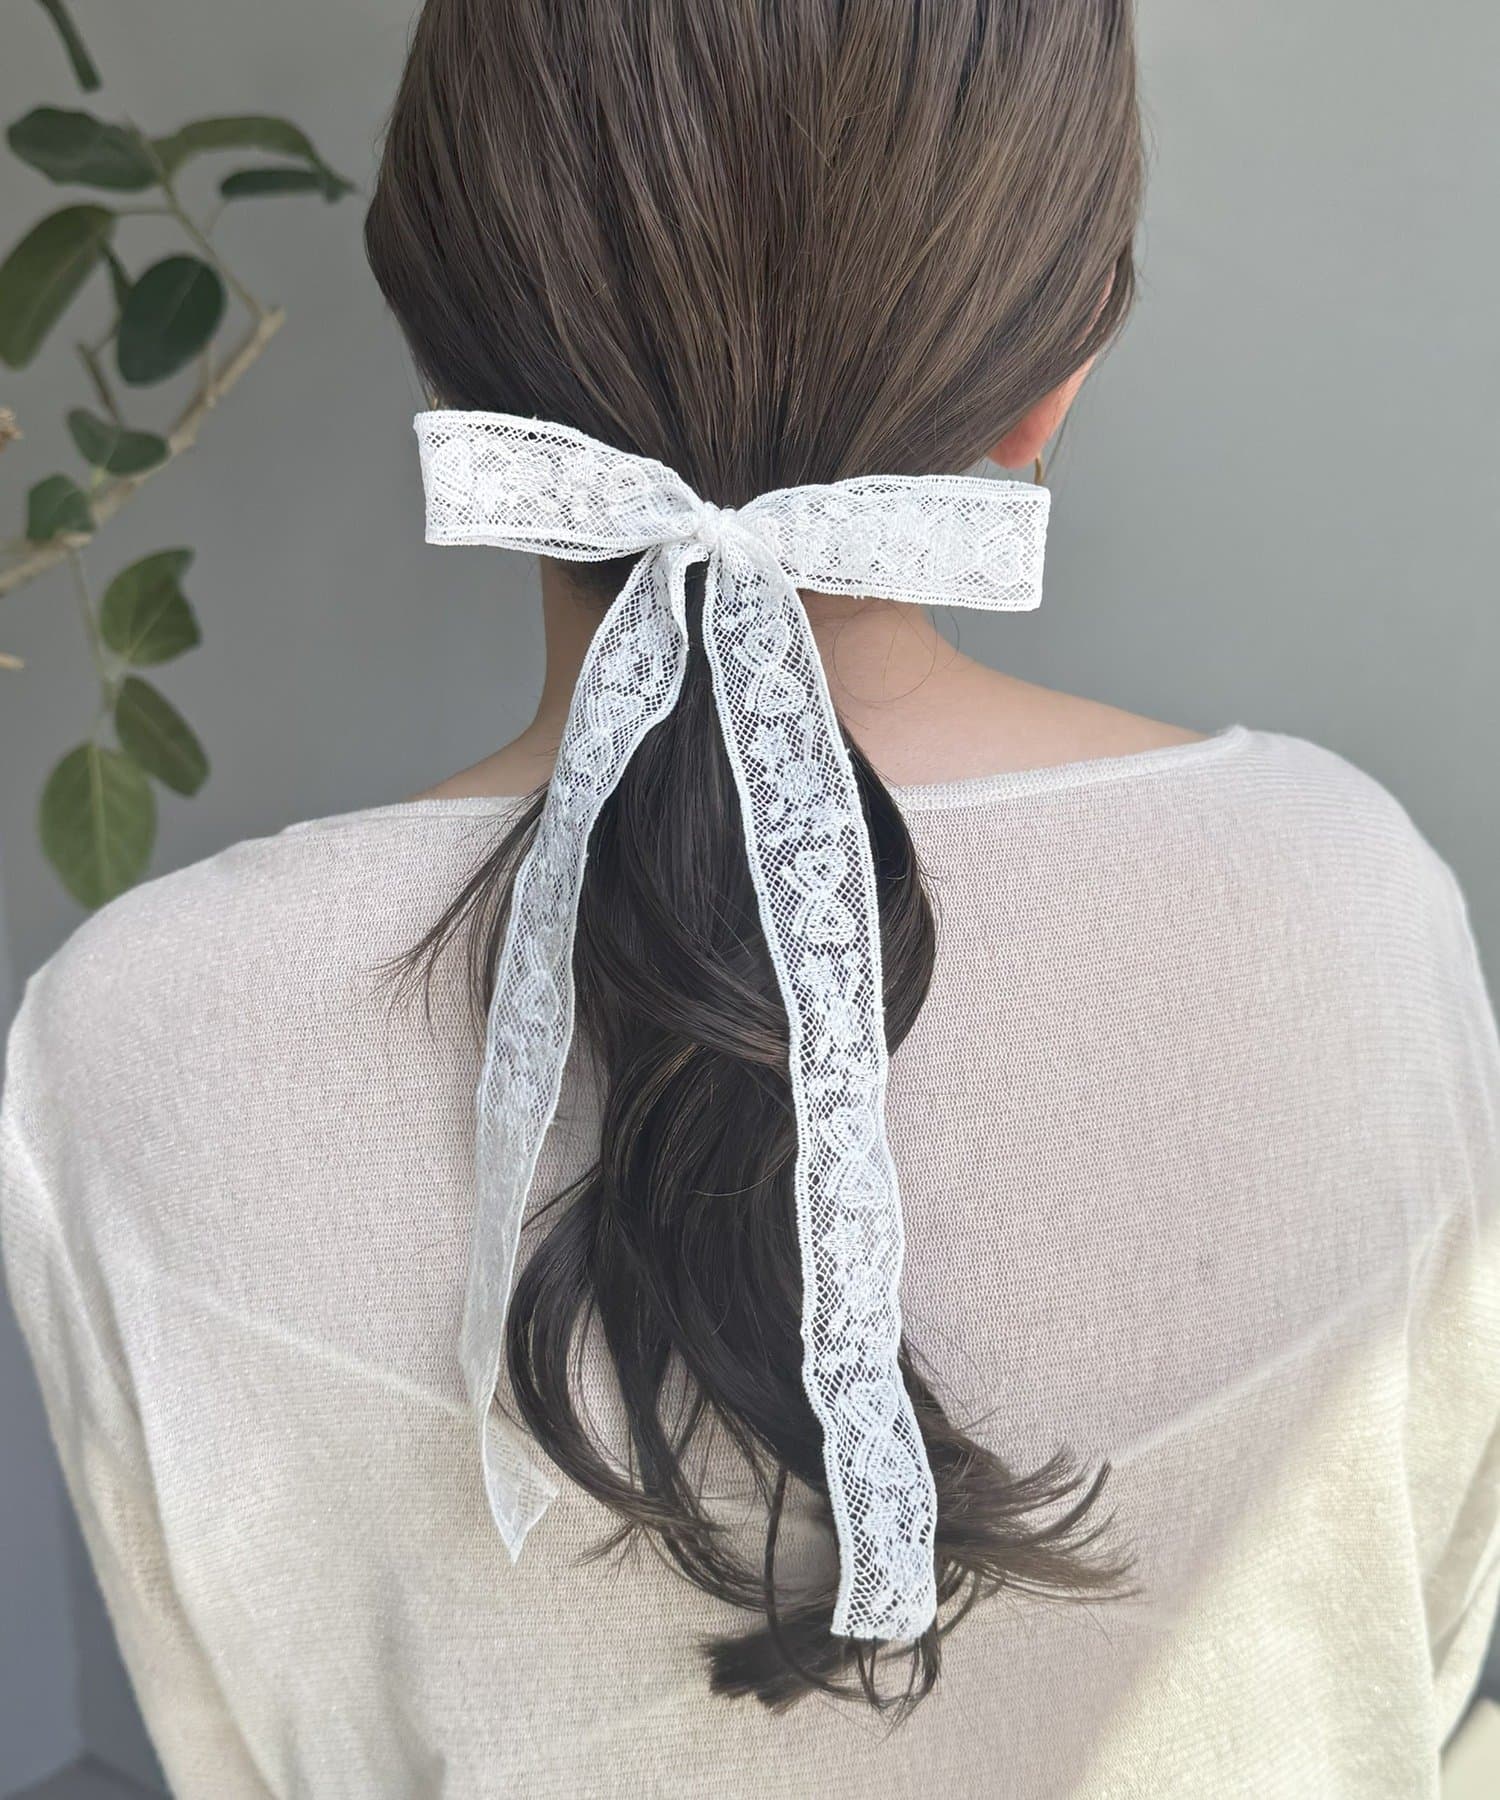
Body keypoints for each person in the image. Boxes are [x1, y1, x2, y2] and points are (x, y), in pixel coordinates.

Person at [2, 2, 1497, 1794]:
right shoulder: (1346, 908)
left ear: (447, 358)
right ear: (1060, 367)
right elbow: (1421, 1659)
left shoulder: (130, 1040)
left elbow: (229, 1743)